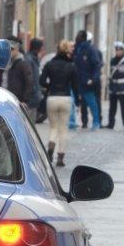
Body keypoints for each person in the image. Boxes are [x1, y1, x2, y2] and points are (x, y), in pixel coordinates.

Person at [40, 39, 78, 168]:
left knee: (53, 127)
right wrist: (78, 100)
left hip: (52, 98)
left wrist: (49, 86)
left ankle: (50, 148)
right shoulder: (71, 66)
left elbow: (41, 80)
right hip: (66, 98)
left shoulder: (50, 64)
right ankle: (60, 158)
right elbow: (75, 85)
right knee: (63, 129)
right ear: (68, 50)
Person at [72, 30, 102, 129]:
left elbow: (97, 65)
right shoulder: (76, 48)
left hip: (87, 81)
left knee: (92, 102)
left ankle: (96, 122)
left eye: (79, 36)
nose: (77, 38)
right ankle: (83, 122)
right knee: (79, 103)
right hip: (77, 80)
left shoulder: (90, 49)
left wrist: (93, 79)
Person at [4, 37, 36, 116]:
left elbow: (29, 83)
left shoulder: (23, 64)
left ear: (17, 49)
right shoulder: (4, 63)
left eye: (12, 49)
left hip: (17, 101)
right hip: (4, 99)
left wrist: (24, 100)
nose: (9, 52)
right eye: (7, 49)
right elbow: (1, 80)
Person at [25, 37, 45, 123]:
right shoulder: (30, 59)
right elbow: (30, 79)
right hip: (31, 99)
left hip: (34, 98)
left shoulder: (34, 59)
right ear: (38, 48)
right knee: (29, 124)